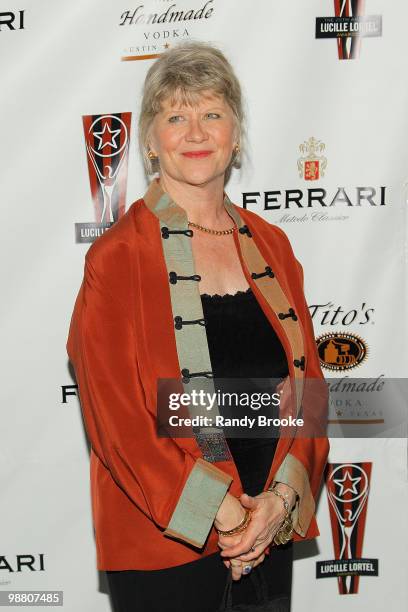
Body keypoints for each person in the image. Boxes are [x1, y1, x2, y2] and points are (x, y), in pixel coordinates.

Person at [66, 41, 329, 612]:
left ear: (235, 136)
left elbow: (308, 394)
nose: (195, 132)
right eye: (176, 116)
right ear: (151, 143)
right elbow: (119, 423)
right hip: (165, 547)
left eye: (212, 114)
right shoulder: (117, 257)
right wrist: (227, 514)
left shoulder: (273, 245)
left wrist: (278, 504)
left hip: (267, 532)